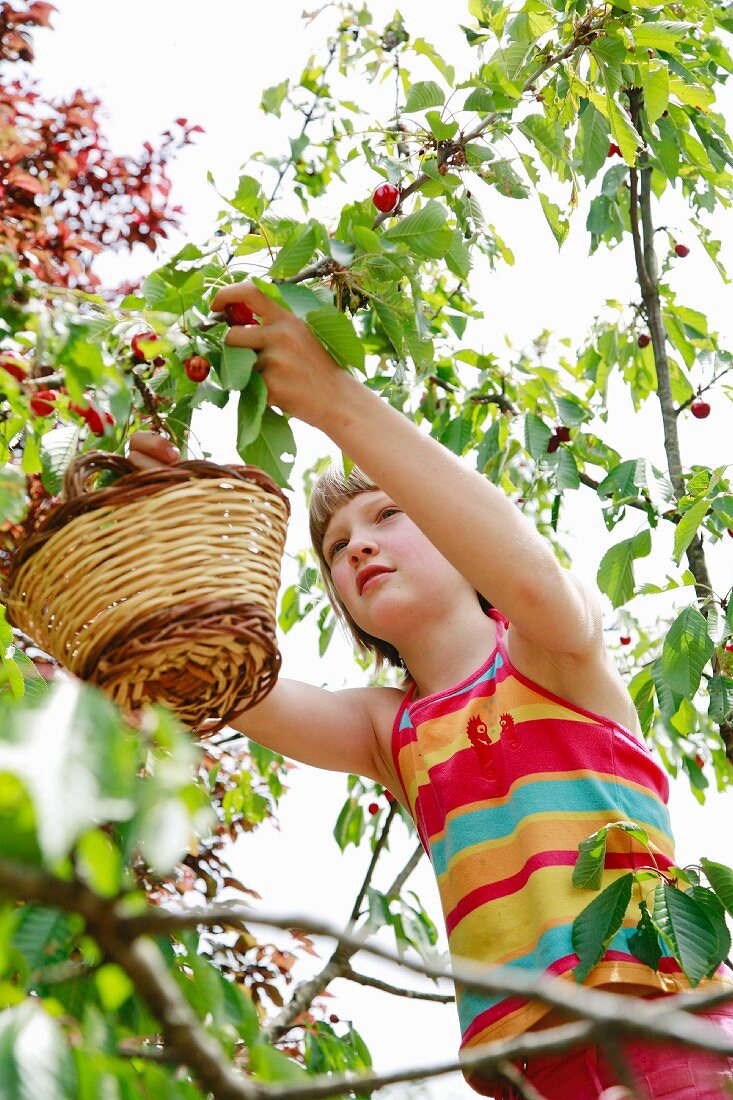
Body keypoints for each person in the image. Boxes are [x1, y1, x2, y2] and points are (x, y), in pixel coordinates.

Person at [129, 282, 733, 1099]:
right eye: (338, 545)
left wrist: (339, 406)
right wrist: (158, 526)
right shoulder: (392, 730)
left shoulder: (554, 652)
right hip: (533, 1069)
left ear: (456, 537)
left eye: (388, 516)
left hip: (674, 1028)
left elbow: (524, 575)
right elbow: (230, 679)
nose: (357, 548)